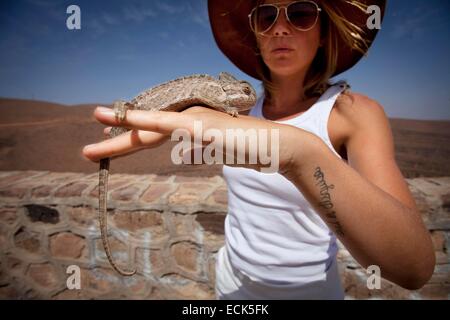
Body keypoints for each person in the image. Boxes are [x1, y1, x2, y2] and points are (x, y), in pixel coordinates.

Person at [83, 0, 435, 300]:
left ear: (324, 31)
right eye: (267, 16)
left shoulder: (352, 113)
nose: (280, 28)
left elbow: (413, 267)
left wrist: (300, 153)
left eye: (299, 13)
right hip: (231, 286)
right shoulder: (235, 109)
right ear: (256, 32)